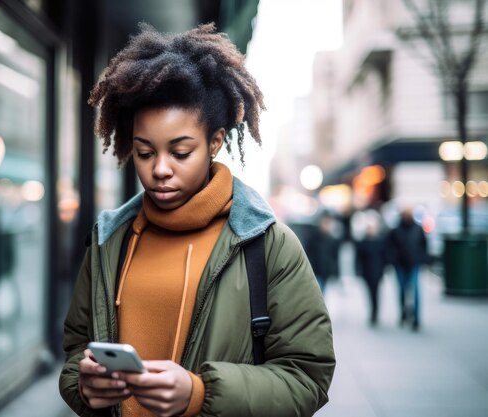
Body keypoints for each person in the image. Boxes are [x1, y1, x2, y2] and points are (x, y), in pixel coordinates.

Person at [59, 23, 335, 417]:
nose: (160, 169)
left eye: (180, 152)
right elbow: (75, 352)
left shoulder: (267, 244)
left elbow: (307, 378)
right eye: (145, 152)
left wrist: (200, 394)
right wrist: (85, 386)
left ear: (215, 142)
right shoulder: (109, 240)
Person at [387, 206, 428, 331]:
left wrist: (422, 259)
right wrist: (393, 260)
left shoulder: (417, 228)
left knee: (415, 290)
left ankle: (416, 318)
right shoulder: (395, 230)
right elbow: (390, 247)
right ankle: (403, 312)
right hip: (400, 264)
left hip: (414, 264)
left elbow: (424, 246)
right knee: (402, 290)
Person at [354, 210, 387, 326]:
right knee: (369, 293)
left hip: (377, 272)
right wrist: (357, 271)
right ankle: (372, 312)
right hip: (366, 272)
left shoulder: (380, 241)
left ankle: (375, 313)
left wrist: (384, 270)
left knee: (376, 293)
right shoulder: (362, 241)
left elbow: (384, 257)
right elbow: (358, 258)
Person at [305, 213, 341, 294]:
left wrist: (336, 273)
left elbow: (334, 257)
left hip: (326, 272)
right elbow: (308, 255)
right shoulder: (313, 238)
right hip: (315, 272)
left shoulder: (332, 240)